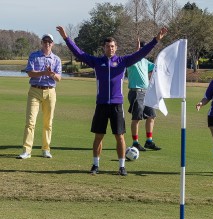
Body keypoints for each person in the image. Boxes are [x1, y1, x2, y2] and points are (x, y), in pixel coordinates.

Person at [56, 26, 167, 176]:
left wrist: (156, 40)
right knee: (98, 136)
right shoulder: (97, 62)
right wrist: (66, 38)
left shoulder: (122, 61)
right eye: (108, 46)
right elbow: (79, 53)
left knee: (119, 136)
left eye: (113, 46)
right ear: (104, 48)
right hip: (101, 104)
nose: (110, 48)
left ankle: (122, 167)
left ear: (116, 48)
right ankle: (95, 165)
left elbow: (141, 53)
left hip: (116, 105)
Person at [17, 34, 62, 159]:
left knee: (48, 123)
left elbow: (58, 78)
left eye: (49, 42)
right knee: (30, 122)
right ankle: (27, 150)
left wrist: (52, 74)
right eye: (45, 41)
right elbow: (30, 73)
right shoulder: (34, 55)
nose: (47, 44)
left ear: (52, 44)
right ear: (41, 43)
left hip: (50, 92)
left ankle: (45, 149)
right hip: (35, 90)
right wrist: (44, 72)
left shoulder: (56, 59)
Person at [127, 38, 161, 152]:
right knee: (136, 118)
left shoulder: (145, 61)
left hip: (147, 92)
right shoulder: (131, 60)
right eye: (141, 48)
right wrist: (137, 50)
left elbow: (157, 67)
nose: (143, 50)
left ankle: (149, 141)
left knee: (151, 116)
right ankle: (135, 142)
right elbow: (134, 56)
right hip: (136, 92)